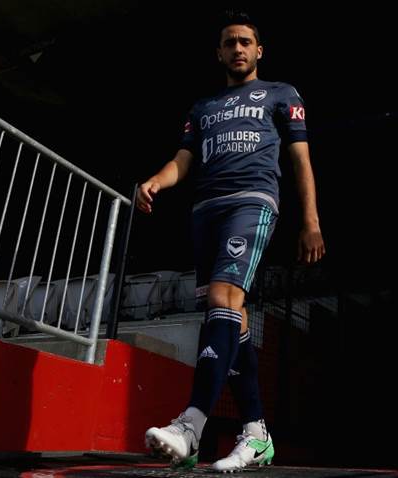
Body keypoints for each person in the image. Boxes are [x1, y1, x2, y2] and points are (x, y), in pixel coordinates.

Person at [139, 10, 325, 472]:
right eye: (229, 42)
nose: (237, 48)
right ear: (219, 52)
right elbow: (183, 160)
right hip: (206, 211)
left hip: (253, 200)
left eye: (245, 42)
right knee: (228, 314)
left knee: (225, 295)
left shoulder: (282, 94)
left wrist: (311, 221)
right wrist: (157, 182)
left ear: (258, 51)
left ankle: (192, 424)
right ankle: (257, 433)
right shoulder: (202, 108)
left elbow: (300, 159)